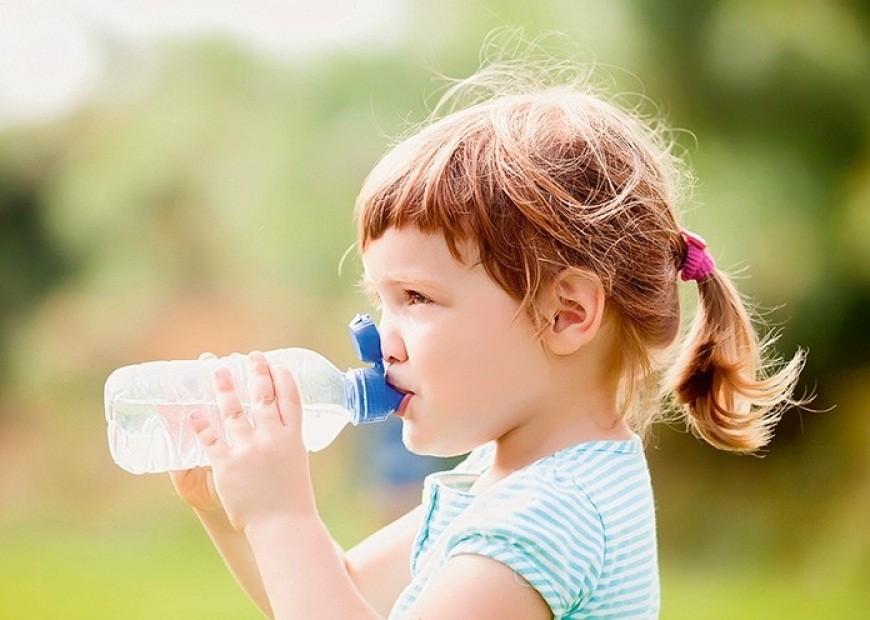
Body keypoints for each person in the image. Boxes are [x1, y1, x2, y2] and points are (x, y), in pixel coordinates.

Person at [170, 61, 806, 619]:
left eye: (416, 298)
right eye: (381, 301)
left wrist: (283, 518)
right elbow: (341, 591)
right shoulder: (507, 481)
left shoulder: (550, 517)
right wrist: (231, 514)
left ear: (566, 314)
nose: (383, 341)